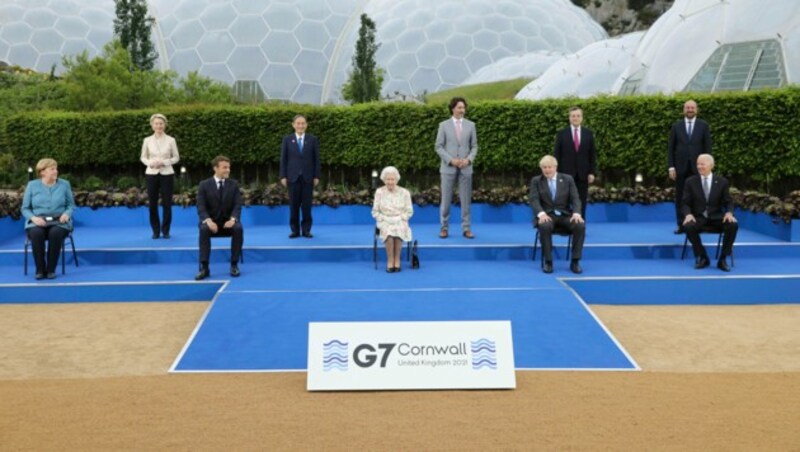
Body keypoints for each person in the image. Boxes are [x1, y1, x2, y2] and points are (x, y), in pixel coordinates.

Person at [529, 155, 585, 274]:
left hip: (564, 215)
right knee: (544, 225)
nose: (547, 170)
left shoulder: (567, 179)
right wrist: (541, 214)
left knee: (579, 225)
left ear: (555, 167)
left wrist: (576, 213)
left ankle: (575, 261)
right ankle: (548, 262)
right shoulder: (536, 181)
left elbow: (575, 198)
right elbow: (534, 199)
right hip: (547, 215)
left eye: (549, 167)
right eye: (544, 167)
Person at [21, 158, 75, 280]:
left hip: (60, 221)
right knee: (36, 233)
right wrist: (33, 218)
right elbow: (25, 208)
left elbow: (71, 205)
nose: (56, 171)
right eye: (52, 169)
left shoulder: (64, 184)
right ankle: (40, 270)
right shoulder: (32, 185)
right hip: (37, 221)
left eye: (56, 168)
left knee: (55, 233)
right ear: (42, 172)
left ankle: (51, 270)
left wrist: (66, 214)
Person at [681, 154, 737, 272]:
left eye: (702, 164)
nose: (699, 166)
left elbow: (729, 201)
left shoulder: (722, 182)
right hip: (699, 217)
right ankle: (703, 257)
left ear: (711, 165)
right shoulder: (690, 182)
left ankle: (722, 259)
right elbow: (685, 202)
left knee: (732, 225)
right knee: (688, 226)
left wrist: (729, 213)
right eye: (698, 164)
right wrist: (688, 214)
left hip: (717, 217)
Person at [435, 96, 478, 239]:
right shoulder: (443, 125)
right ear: (453, 108)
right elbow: (438, 146)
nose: (462, 110)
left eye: (463, 108)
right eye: (459, 107)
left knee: (466, 200)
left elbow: (474, 146)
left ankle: (466, 228)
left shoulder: (471, 125)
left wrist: (469, 160)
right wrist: (450, 160)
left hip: (466, 168)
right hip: (448, 169)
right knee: (446, 200)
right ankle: (444, 228)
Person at [195, 155, 244, 280]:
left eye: (229, 167)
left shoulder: (233, 185)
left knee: (238, 228)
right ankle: (205, 267)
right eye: (224, 167)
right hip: (211, 223)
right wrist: (208, 221)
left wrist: (233, 219)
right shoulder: (204, 185)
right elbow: (201, 206)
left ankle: (234, 265)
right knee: (204, 229)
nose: (228, 170)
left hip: (228, 222)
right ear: (215, 168)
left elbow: (237, 205)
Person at [669, 100, 711, 234]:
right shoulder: (676, 126)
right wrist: (671, 167)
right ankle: (681, 225)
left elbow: (707, 147)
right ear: (684, 110)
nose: (690, 110)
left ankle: (698, 225)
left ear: (696, 110)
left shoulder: (703, 126)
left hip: (698, 168)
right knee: (681, 196)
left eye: (692, 107)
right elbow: (671, 148)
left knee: (699, 196)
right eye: (687, 107)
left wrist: (707, 166)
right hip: (680, 168)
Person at [280, 114, 320, 239]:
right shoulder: (287, 139)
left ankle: (306, 230)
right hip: (292, 178)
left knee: (307, 206)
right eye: (298, 123)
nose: (300, 125)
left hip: (308, 178)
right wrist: (283, 176)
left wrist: (316, 176)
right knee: (293, 206)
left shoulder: (312, 139)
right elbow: (283, 159)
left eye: (303, 123)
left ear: (306, 125)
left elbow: (316, 160)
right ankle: (295, 230)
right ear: (293, 125)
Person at [140, 113, 180, 239]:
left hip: (167, 173)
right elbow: (143, 157)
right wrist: (151, 163)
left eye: (161, 123)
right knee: (152, 203)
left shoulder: (171, 140)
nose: (159, 126)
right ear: (152, 125)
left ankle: (166, 230)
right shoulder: (147, 140)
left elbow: (176, 157)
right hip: (151, 173)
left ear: (165, 125)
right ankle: (155, 231)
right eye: (156, 123)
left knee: (167, 203)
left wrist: (164, 162)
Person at [554, 106, 597, 218]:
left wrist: (592, 172)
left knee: (581, 201)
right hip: (565, 174)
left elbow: (592, 155)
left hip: (583, 175)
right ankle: (567, 225)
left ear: (582, 118)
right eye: (573, 116)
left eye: (578, 116)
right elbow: (556, 155)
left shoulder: (588, 134)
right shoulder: (561, 134)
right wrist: (556, 173)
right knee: (566, 200)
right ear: (569, 118)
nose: (575, 118)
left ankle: (580, 225)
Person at [371, 166, 414, 273]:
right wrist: (382, 219)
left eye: (392, 179)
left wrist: (400, 218)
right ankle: (390, 260)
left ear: (397, 179)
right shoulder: (379, 192)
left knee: (398, 230)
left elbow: (409, 211)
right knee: (389, 233)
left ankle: (397, 259)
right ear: (384, 180)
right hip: (384, 219)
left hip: (400, 219)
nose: (390, 182)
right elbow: (375, 211)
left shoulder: (405, 192)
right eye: (388, 179)